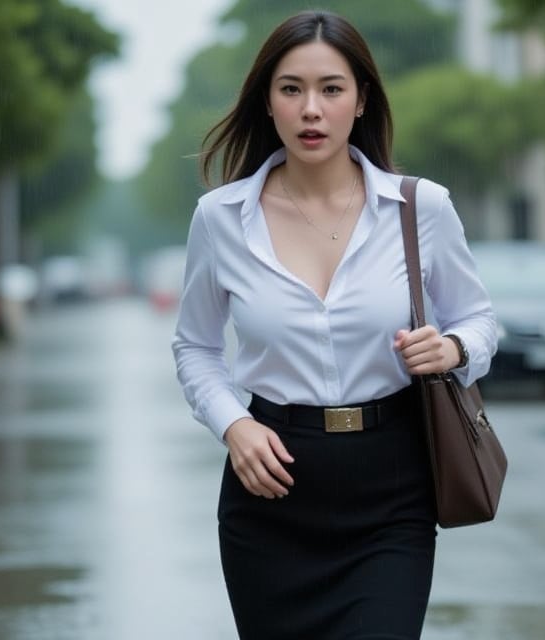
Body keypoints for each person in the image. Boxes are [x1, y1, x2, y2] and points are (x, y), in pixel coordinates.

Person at [172, 10, 497, 640]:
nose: (311, 109)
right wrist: (233, 424)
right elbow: (196, 346)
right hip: (270, 489)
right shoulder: (220, 218)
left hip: (392, 489)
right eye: (291, 89)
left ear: (361, 99)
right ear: (267, 103)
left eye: (331, 88)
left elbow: (480, 320)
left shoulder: (419, 207)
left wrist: (453, 347)